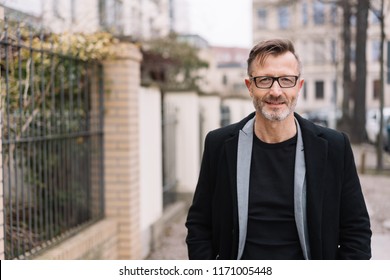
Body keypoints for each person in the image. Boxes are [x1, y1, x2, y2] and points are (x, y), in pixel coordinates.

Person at [185, 38, 371, 260]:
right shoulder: (220, 144)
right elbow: (199, 225)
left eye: (286, 80)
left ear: (298, 86)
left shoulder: (334, 147)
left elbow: (356, 232)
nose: (275, 91)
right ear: (250, 86)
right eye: (264, 80)